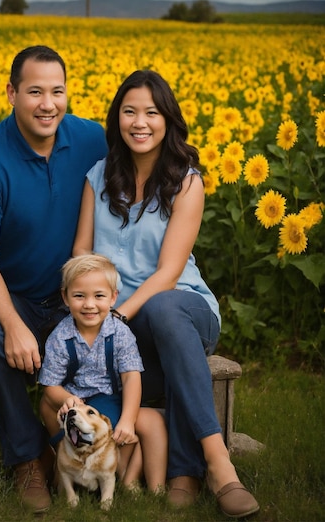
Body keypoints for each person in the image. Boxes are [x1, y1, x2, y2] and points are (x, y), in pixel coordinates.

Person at [72, 69, 260, 518]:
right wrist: (91, 309)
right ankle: (182, 472)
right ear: (117, 118)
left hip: (184, 310)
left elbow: (169, 273)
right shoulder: (97, 177)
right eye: (129, 111)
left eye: (151, 112)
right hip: (127, 328)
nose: (140, 122)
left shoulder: (186, 183)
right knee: (153, 346)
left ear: (167, 120)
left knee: (164, 308)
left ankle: (218, 465)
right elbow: (81, 251)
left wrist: (114, 317)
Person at [0, 45, 108, 513]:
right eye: (34, 91)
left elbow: (139, 166)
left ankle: (88, 449)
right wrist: (14, 325)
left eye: (57, 91)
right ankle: (26, 458)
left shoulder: (92, 140)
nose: (47, 104)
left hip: (62, 293)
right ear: (11, 93)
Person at [39, 253, 167, 493]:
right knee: (48, 404)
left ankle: (151, 486)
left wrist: (128, 420)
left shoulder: (119, 333)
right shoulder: (60, 336)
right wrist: (67, 400)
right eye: (79, 296)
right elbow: (50, 385)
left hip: (110, 400)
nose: (89, 304)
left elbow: (130, 377)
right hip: (74, 400)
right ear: (65, 297)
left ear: (113, 298)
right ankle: (68, 465)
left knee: (152, 423)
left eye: (99, 296)